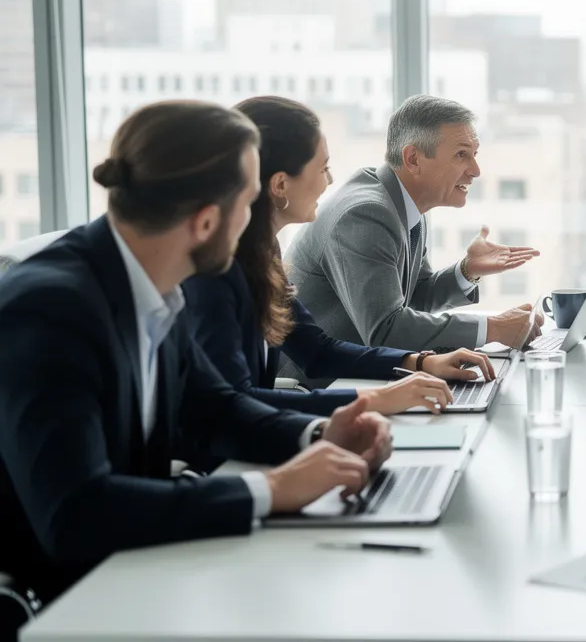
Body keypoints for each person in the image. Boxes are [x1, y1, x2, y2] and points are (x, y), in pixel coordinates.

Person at [0, 101, 393, 606]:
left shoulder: (152, 285)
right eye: (248, 202)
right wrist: (271, 490)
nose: (256, 222)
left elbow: (212, 407)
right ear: (207, 222)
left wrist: (319, 435)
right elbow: (76, 514)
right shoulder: (51, 309)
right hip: (70, 600)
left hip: (138, 566)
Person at [183, 97, 494, 419]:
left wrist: (419, 362)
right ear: (279, 185)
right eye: (322, 168)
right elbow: (231, 405)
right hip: (266, 423)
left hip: (283, 415)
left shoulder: (261, 252)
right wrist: (374, 400)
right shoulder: (218, 268)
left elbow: (316, 349)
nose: (330, 182)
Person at [284, 94, 542, 386]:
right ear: (413, 159)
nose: (475, 170)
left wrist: (467, 271)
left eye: (475, 154)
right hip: (315, 388)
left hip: (363, 376)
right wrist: (492, 328)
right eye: (461, 154)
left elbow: (414, 296)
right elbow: (387, 329)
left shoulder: (402, 202)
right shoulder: (366, 214)